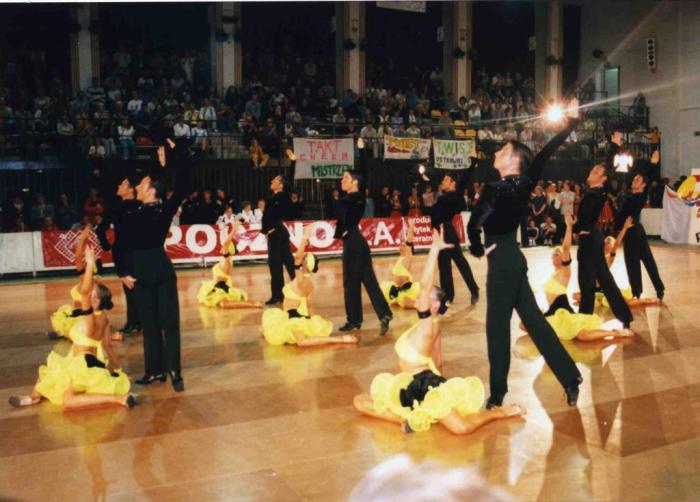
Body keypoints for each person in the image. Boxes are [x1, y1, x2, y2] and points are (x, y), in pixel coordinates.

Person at [467, 102, 583, 408]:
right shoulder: (525, 183)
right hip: (514, 260)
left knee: (496, 330)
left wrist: (478, 248)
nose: (497, 152)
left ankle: (497, 395)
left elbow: (473, 224)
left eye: (503, 150)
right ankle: (571, 378)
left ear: (513, 161)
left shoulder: (493, 189)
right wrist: (570, 124)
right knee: (535, 323)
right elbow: (547, 152)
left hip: (502, 264)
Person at [353, 228, 525, 433]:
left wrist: (434, 251)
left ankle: (499, 413)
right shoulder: (428, 326)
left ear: (434, 305)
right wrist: (444, 390)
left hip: (426, 385)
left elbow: (424, 285)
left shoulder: (429, 324)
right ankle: (410, 419)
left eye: (426, 297)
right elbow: (438, 361)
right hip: (409, 386)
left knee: (461, 428)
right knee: (360, 401)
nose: (420, 297)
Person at [9, 245, 136, 410]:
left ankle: (119, 399)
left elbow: (84, 292)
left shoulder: (90, 318)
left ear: (95, 300)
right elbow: (106, 346)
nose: (87, 292)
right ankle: (33, 397)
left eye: (91, 293)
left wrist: (90, 264)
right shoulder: (104, 319)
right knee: (53, 370)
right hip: (84, 362)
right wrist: (119, 370)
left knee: (67, 399)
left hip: (83, 365)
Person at [121, 135, 191, 392]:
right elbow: (123, 244)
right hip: (140, 272)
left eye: (142, 184)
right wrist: (123, 272)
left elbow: (182, 185)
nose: (138, 186)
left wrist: (175, 156)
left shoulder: (164, 210)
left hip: (160, 271)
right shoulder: (130, 209)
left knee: (169, 322)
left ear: (151, 191)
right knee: (149, 324)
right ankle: (154, 371)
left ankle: (175, 371)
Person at [527, 214, 634, 342]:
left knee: (583, 335)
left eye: (557, 254)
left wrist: (569, 227)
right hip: (554, 311)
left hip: (569, 309)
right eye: (553, 254)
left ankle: (616, 333)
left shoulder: (566, 271)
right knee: (524, 325)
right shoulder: (554, 273)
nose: (554, 256)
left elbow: (566, 247)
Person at [262, 225, 357, 346]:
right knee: (265, 329)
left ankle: (340, 339)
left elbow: (297, 257)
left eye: (304, 258)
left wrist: (305, 237)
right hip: (296, 317)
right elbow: (310, 306)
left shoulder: (300, 280)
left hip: (294, 320)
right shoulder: (309, 282)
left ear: (305, 264)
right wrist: (312, 321)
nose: (302, 257)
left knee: (301, 342)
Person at [573, 162, 634, 328]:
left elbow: (583, 219)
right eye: (593, 169)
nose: (592, 171)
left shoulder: (593, 194)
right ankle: (625, 316)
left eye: (596, 171)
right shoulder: (598, 193)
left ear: (603, 178)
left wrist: (575, 227)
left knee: (587, 282)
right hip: (593, 237)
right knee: (605, 281)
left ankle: (585, 321)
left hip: (589, 238)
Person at [335, 170, 393, 335]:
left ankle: (354, 320)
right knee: (368, 280)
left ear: (355, 183)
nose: (342, 180)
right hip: (357, 243)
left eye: (346, 178)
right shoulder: (354, 198)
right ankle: (384, 313)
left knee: (351, 283)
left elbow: (340, 207)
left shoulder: (354, 198)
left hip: (353, 244)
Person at [95, 176, 141, 340]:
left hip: (124, 253)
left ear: (130, 190)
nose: (119, 185)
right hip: (142, 253)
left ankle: (133, 323)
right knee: (140, 288)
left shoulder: (116, 208)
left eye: (123, 184)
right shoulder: (142, 206)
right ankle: (140, 322)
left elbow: (100, 230)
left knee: (130, 288)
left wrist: (107, 246)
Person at [430, 168, 479, 307]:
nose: (443, 181)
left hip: (448, 233)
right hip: (442, 233)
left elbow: (464, 179)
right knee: (446, 266)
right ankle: (450, 295)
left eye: (446, 179)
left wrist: (473, 162)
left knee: (458, 264)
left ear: (453, 183)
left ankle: (470, 290)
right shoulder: (443, 196)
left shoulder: (453, 195)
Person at [617, 172, 665, 301]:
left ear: (643, 185)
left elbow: (624, 214)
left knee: (634, 262)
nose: (634, 180)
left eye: (637, 180)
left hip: (632, 231)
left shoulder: (639, 197)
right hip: (636, 230)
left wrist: (653, 166)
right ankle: (658, 288)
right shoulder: (631, 195)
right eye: (634, 179)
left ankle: (637, 292)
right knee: (647, 260)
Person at [197, 224, 263, 309]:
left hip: (221, 288)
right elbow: (226, 243)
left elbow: (226, 242)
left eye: (227, 247)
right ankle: (253, 304)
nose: (223, 247)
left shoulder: (227, 260)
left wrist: (234, 230)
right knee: (219, 303)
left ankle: (253, 305)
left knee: (224, 304)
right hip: (216, 286)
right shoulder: (226, 258)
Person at [262, 175, 296, 305]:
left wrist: (272, 228)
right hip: (276, 234)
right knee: (281, 264)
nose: (271, 181)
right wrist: (267, 230)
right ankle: (278, 295)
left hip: (278, 234)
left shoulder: (283, 197)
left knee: (282, 265)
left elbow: (278, 215)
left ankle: (281, 295)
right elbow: (267, 217)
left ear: (281, 185)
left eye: (275, 180)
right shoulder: (273, 197)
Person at [380, 219, 420, 309]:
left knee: (405, 302)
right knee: (400, 301)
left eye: (403, 245)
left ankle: (421, 305)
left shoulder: (408, 258)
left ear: (408, 249)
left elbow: (409, 241)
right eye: (401, 244)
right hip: (395, 289)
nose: (401, 246)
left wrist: (411, 227)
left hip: (406, 290)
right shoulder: (401, 259)